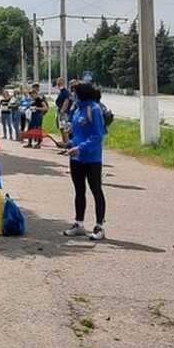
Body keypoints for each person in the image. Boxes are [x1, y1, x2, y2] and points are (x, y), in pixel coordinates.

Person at [63, 81, 107, 241]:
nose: (72, 96)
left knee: (96, 190)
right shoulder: (76, 110)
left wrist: (80, 147)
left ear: (82, 93)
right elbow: (77, 134)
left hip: (92, 158)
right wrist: (70, 143)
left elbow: (97, 136)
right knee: (79, 190)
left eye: (74, 92)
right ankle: (79, 224)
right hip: (76, 158)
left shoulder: (93, 109)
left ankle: (99, 226)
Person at [26, 83, 48, 148]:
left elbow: (46, 108)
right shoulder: (33, 100)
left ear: (35, 94)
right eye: (30, 95)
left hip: (38, 116)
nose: (31, 96)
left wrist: (37, 108)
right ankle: (29, 143)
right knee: (30, 129)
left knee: (38, 129)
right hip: (32, 116)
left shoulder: (39, 100)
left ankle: (38, 143)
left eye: (32, 95)